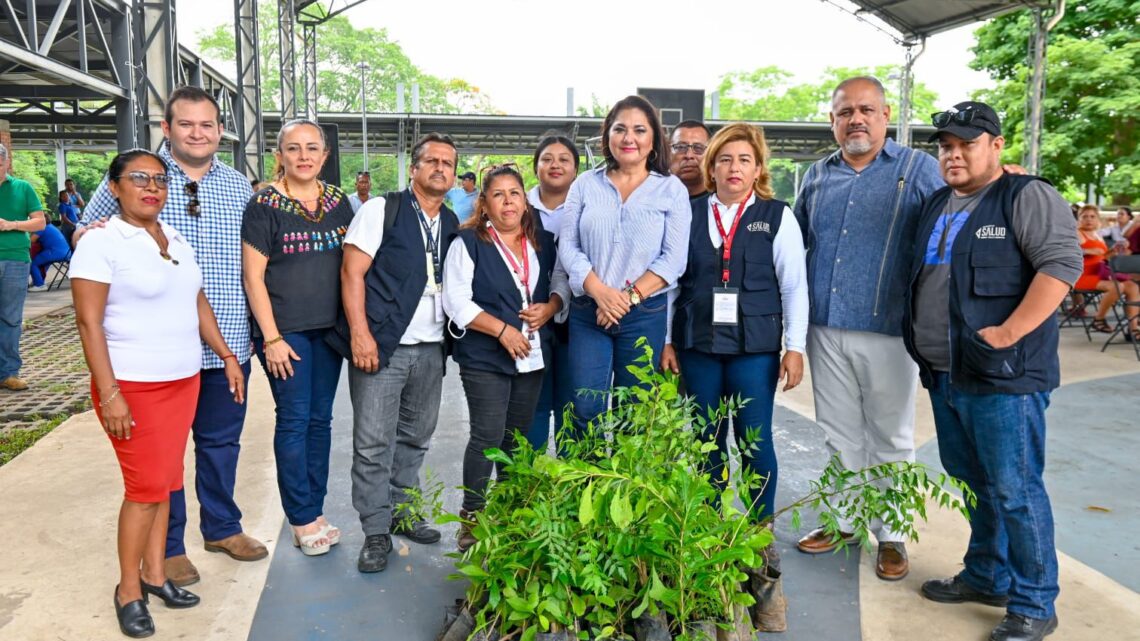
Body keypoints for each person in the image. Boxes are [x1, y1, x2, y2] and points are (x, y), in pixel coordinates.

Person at [904, 101, 1081, 641]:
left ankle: (1034, 601)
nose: (954, 154)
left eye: (966, 144)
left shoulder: (1026, 195)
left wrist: (1007, 333)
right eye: (946, 146)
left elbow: (1061, 264)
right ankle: (987, 574)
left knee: (1016, 488)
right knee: (974, 482)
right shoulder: (937, 203)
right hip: (944, 372)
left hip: (1003, 376)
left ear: (997, 146)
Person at [77, 86, 263, 586]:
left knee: (221, 442)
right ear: (167, 128)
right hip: (157, 353)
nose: (198, 133)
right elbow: (86, 234)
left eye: (207, 125)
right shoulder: (140, 175)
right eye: (186, 124)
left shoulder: (237, 186)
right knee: (164, 455)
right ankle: (170, 546)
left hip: (226, 338)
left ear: (220, 131)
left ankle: (223, 527)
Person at [70, 149, 245, 638]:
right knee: (145, 491)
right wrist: (109, 393)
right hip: (133, 385)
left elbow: (197, 300)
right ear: (116, 187)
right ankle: (128, 590)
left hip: (183, 378)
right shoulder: (101, 243)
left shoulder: (175, 238)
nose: (152, 187)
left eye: (159, 180)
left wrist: (227, 356)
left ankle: (155, 574)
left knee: (166, 482)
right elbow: (88, 323)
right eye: (139, 178)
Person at [792, 76, 944, 581]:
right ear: (832, 120)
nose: (855, 119)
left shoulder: (919, 169)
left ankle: (893, 533)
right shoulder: (816, 175)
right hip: (826, 326)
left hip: (890, 327)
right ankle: (844, 524)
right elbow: (798, 246)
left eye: (866, 110)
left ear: (884, 116)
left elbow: (946, 234)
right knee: (837, 435)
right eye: (844, 112)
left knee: (891, 434)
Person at [662, 122, 807, 517]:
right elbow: (671, 283)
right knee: (705, 439)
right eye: (724, 159)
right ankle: (709, 527)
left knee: (755, 442)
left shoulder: (777, 217)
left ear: (759, 169)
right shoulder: (687, 214)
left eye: (744, 159)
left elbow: (794, 286)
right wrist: (666, 340)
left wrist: (795, 348)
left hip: (754, 350)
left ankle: (761, 532)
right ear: (711, 168)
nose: (734, 168)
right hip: (698, 346)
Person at [337, 132, 460, 573]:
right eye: (432, 161)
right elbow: (352, 273)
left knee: (416, 436)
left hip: (431, 348)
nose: (440, 168)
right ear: (414, 168)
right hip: (383, 346)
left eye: (448, 162)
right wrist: (361, 334)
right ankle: (375, 530)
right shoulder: (381, 209)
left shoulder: (449, 221)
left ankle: (403, 511)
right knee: (373, 443)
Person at [443, 163, 569, 551]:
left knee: (516, 439)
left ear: (525, 200)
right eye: (498, 195)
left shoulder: (544, 241)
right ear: (484, 203)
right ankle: (472, 518)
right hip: (484, 356)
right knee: (486, 436)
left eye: (514, 193)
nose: (508, 202)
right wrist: (502, 330)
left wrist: (550, 306)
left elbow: (561, 279)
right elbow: (456, 301)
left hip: (531, 355)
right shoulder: (468, 243)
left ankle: (513, 510)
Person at [242, 119, 352, 556]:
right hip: (285, 333)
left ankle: (316, 510)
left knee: (320, 421)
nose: (303, 156)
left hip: (329, 332)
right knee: (294, 418)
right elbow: (253, 278)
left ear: (324, 156)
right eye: (293, 148)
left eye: (312, 148)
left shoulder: (340, 203)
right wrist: (270, 338)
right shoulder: (264, 205)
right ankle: (301, 516)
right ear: (280, 156)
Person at [558, 95, 691, 444]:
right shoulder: (585, 184)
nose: (628, 137)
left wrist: (627, 299)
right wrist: (600, 293)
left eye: (639, 129)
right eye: (620, 129)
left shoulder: (670, 189)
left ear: (653, 140)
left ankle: (629, 496)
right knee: (585, 408)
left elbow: (673, 259)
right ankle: (584, 492)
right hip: (590, 313)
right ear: (608, 136)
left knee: (635, 413)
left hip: (644, 314)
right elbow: (568, 246)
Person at [526, 133, 580, 449]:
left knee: (572, 404)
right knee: (534, 403)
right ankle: (528, 488)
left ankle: (570, 487)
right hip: (529, 318)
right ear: (536, 168)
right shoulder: (517, 205)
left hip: (579, 320)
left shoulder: (587, 206)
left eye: (564, 159)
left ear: (575, 170)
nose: (555, 165)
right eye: (547, 159)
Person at [0, 143, 46, 392]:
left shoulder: (22, 188)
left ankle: (8, 372)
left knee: (10, 318)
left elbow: (39, 222)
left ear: (7, 163)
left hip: (15, 259)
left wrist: (11, 225)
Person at [1075, 205, 1140, 338]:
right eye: (1085, 216)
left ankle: (1133, 328)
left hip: (1100, 274)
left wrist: (1112, 252)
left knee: (1132, 286)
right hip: (1083, 275)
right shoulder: (1076, 233)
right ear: (1079, 219)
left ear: (1097, 219)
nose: (1089, 219)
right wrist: (1087, 251)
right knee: (1118, 286)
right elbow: (1067, 252)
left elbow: (1103, 258)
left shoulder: (1097, 235)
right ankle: (1098, 319)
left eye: (1092, 216)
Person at [669, 120, 711, 198]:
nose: (689, 155)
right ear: (668, 152)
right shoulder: (654, 196)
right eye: (681, 147)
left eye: (698, 148)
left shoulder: (723, 199)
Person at [27, 218, 69, 291]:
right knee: (44, 262)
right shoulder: (51, 226)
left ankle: (39, 285)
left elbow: (30, 241)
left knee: (33, 263)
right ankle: (38, 281)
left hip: (55, 253)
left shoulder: (41, 228)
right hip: (66, 253)